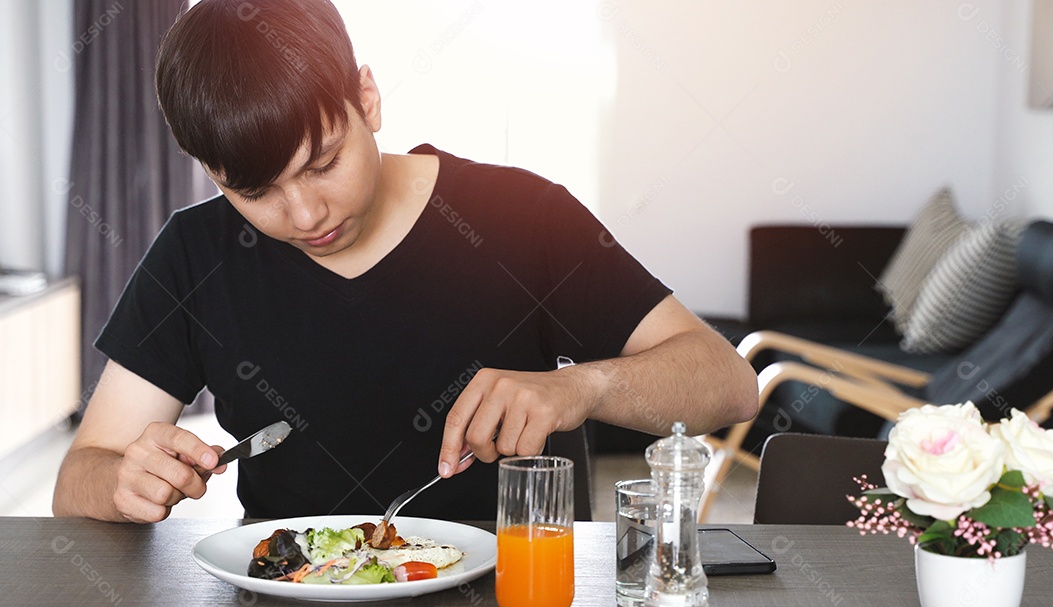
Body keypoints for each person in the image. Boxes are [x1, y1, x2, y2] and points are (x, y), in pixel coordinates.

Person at [52, 0, 757, 524]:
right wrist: (124, 481)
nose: (304, 217)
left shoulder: (523, 213)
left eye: (322, 164)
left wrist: (583, 389)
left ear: (367, 97)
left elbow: (729, 386)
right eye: (253, 191)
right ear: (211, 171)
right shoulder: (193, 253)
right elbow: (77, 478)